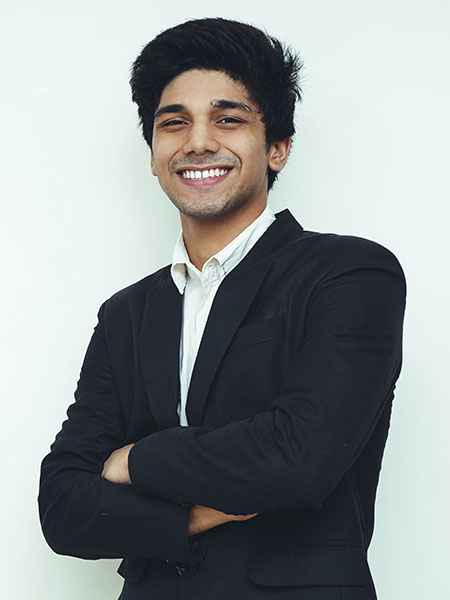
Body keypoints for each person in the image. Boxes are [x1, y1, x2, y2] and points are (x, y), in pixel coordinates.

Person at [38, 17, 407, 600]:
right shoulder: (125, 314)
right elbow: (62, 508)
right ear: (153, 154)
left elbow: (300, 457)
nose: (198, 142)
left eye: (228, 119)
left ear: (278, 148)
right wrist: (189, 518)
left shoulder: (349, 274)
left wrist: (134, 461)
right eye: (174, 123)